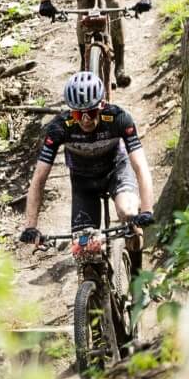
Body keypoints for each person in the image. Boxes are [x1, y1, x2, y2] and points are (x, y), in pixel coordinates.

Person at [18, 71, 155, 266]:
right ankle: (95, 291)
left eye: (90, 112)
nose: (85, 120)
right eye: (77, 114)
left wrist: (147, 210)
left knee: (129, 212)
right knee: (85, 251)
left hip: (116, 170)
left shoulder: (118, 118)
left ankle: (137, 280)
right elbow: (39, 178)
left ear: (101, 106)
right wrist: (31, 226)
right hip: (83, 182)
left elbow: (140, 166)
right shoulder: (59, 128)